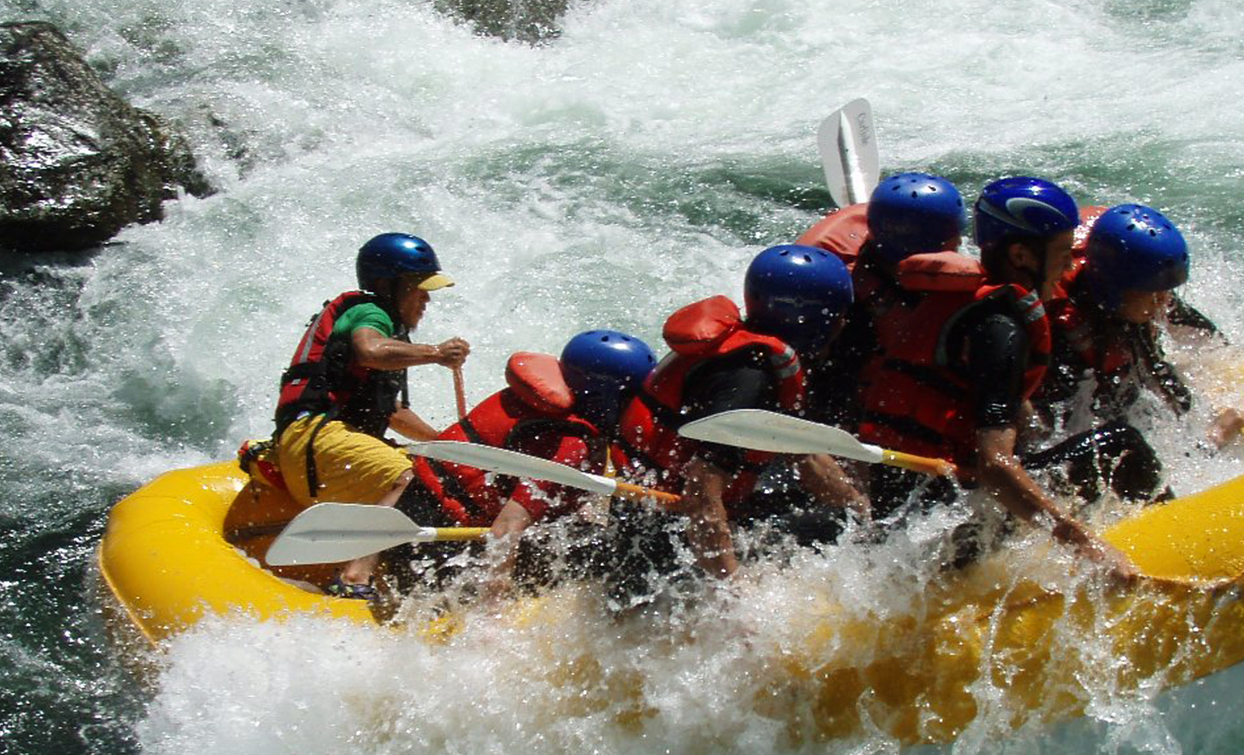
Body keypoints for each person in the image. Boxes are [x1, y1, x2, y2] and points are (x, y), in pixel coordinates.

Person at [857, 176, 1138, 578]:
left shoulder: (959, 302)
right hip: (945, 535)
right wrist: (1087, 546)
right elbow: (995, 465)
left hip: (910, 525)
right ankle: (1170, 541)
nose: (1068, 265)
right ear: (1023, 256)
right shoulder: (1001, 328)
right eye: (1061, 253)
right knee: (1121, 445)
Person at [226, 232, 471, 601]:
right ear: (389, 285)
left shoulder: (390, 330)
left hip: (324, 445)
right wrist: (436, 352)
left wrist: (448, 445)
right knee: (408, 477)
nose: (427, 299)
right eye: (420, 288)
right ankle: (355, 577)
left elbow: (393, 413)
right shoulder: (371, 313)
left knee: (434, 477)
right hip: (316, 439)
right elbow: (369, 350)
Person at [614, 244, 871, 591]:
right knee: (830, 529)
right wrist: (733, 590)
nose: (842, 324)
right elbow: (701, 488)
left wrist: (860, 511)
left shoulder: (754, 357)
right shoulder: (751, 380)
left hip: (658, 516)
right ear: (812, 321)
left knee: (843, 517)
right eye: (837, 315)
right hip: (659, 538)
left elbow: (802, 450)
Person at [392, 330, 656, 593]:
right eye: (631, 400)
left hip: (417, 517)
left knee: (585, 531)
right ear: (605, 399)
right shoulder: (571, 445)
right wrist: (492, 612)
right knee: (613, 549)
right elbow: (506, 527)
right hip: (431, 554)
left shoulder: (529, 405)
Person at [798, 171, 966, 430]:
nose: (960, 245)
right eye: (954, 240)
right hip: (846, 376)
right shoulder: (833, 286)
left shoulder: (945, 277)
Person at [1039, 202, 1218, 436]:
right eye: (1154, 293)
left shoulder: (1143, 293)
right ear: (1113, 292)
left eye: (1166, 291)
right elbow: (1057, 433)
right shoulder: (1062, 334)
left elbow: (1201, 346)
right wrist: (1213, 438)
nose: (1164, 302)